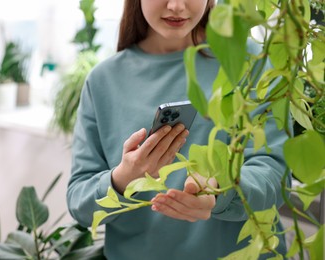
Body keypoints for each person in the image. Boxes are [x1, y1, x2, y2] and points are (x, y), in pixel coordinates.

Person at [67, 0, 290, 259]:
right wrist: (123, 178)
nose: (176, 6)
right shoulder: (103, 81)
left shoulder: (254, 62)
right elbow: (79, 204)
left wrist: (220, 191)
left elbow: (275, 175)